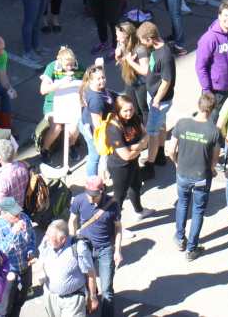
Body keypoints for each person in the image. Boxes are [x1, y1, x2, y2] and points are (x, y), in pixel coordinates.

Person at [169, 93, 223, 261]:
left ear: (199, 106)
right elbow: (215, 158)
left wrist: (177, 163)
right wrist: (212, 169)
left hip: (183, 173)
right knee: (198, 210)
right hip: (202, 176)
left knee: (182, 204)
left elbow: (171, 151)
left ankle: (179, 238)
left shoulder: (182, 124)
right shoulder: (214, 131)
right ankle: (192, 249)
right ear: (213, 109)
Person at [69, 176, 124, 317]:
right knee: (85, 283)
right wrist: (72, 240)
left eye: (94, 195)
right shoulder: (79, 200)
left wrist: (117, 251)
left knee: (107, 289)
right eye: (88, 194)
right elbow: (72, 220)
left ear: (102, 190)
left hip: (105, 249)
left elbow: (118, 228)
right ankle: (89, 306)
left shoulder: (113, 205)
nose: (90, 199)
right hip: (85, 247)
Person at [105, 95, 154, 226]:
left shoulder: (134, 118)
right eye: (125, 111)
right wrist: (140, 147)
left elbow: (146, 135)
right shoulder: (114, 127)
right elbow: (125, 156)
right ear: (118, 110)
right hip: (119, 167)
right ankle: (114, 227)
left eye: (131, 109)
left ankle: (139, 211)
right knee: (119, 198)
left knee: (136, 186)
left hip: (133, 162)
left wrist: (133, 147)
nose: (129, 113)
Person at [34, 219, 98, 317]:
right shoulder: (47, 241)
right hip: (51, 296)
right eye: (46, 234)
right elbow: (42, 253)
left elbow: (91, 274)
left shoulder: (79, 247)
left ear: (63, 239)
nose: (46, 238)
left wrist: (92, 298)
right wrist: (40, 269)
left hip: (72, 300)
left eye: (50, 237)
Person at [137, 22, 176, 178]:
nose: (142, 44)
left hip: (159, 100)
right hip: (156, 97)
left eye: (143, 41)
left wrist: (156, 100)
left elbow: (166, 82)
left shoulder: (165, 56)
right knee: (161, 124)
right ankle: (160, 155)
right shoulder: (158, 48)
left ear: (150, 39)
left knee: (151, 132)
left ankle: (150, 166)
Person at [38, 47, 85, 165]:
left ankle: (72, 145)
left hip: (72, 102)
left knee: (74, 129)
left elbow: (88, 84)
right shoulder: (52, 67)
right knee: (56, 128)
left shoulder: (80, 67)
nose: (69, 68)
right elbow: (43, 90)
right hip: (54, 103)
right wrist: (61, 82)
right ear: (59, 61)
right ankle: (45, 149)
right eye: (66, 65)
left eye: (71, 64)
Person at [196, 1, 228, 119]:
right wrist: (207, 91)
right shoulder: (209, 38)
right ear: (219, 16)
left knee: (224, 119)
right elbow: (200, 66)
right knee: (211, 121)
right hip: (214, 90)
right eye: (226, 16)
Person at [0, 197, 36, 317]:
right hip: (9, 272)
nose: (18, 217)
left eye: (18, 213)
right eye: (13, 215)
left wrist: (31, 250)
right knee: (4, 309)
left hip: (25, 268)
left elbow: (32, 235)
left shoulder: (25, 218)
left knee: (19, 302)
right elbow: (0, 252)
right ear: (3, 213)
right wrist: (12, 233)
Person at [79, 64, 116, 177]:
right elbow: (97, 124)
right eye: (98, 79)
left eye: (103, 77)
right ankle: (93, 184)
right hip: (93, 131)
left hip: (86, 122)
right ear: (91, 80)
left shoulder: (91, 87)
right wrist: (102, 141)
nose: (102, 81)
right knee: (95, 156)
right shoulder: (96, 100)